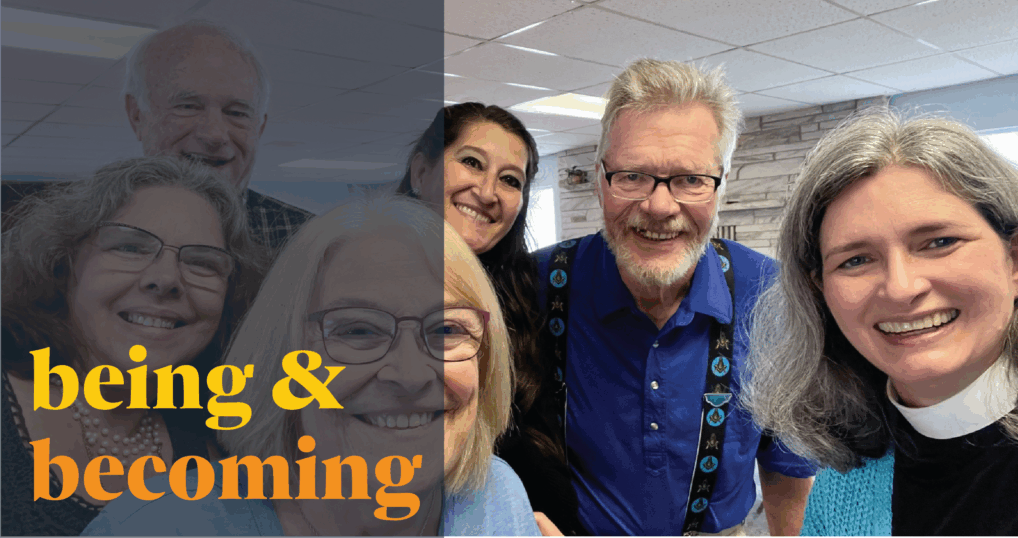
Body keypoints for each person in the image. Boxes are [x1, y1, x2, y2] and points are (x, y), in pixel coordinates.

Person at [83, 195, 542, 535]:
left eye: (446, 331)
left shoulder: (492, 497)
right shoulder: (159, 525)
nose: (409, 374)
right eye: (358, 330)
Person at [532, 59, 817, 536]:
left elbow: (787, 461)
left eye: (690, 179)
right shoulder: (538, 284)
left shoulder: (772, 295)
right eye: (632, 176)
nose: (660, 207)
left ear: (721, 185)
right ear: (601, 181)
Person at [741, 108, 1018, 535]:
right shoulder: (841, 480)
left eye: (939, 242)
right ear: (821, 293)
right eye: (856, 260)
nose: (900, 287)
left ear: (1016, 260)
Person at [0, 156, 264, 536]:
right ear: (64, 264)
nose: (166, 279)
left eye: (203, 262)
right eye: (130, 247)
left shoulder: (219, 456)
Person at [399, 104, 583, 534]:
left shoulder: (522, 295)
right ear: (421, 170)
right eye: (471, 162)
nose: (487, 191)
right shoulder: (359, 276)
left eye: (510, 180)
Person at [2, 20, 311, 251]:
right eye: (188, 106)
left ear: (260, 128)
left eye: (237, 112)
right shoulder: (66, 237)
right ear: (137, 115)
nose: (215, 134)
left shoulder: (307, 242)